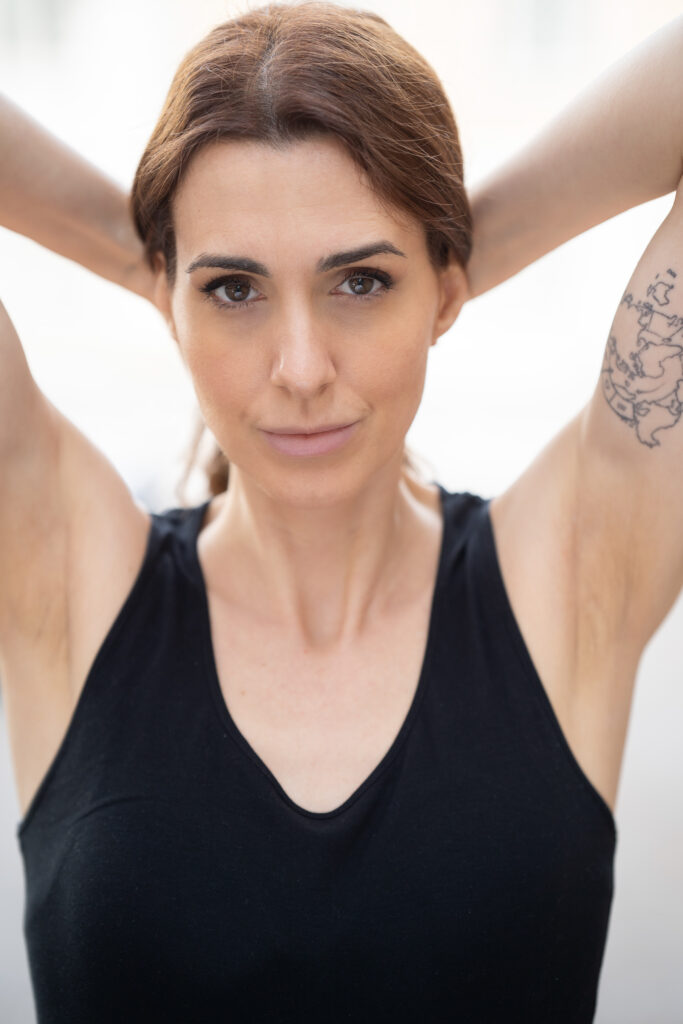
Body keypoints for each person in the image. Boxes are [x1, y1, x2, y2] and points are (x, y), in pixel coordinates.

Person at [0, 3, 681, 1021]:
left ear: (439, 293)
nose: (302, 368)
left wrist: (462, 250)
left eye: (360, 280)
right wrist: (133, 247)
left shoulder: (574, 570)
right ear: (171, 300)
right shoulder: (63, 575)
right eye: (233, 289)